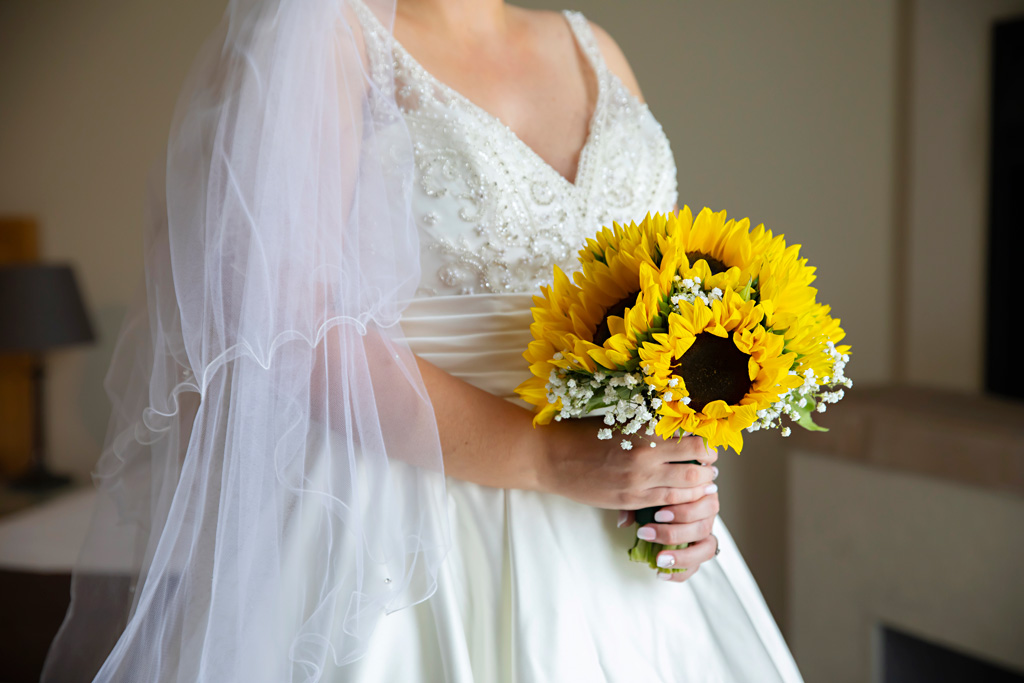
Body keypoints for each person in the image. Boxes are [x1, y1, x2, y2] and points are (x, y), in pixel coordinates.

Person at [43, 0, 803, 681]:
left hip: (615, 521)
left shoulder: (591, 42)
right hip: (408, 515)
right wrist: (546, 455)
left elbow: (661, 306)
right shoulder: (323, 33)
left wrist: (676, 487)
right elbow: (290, 321)